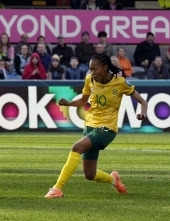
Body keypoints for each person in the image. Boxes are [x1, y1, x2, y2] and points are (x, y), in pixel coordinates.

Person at [45, 53, 147, 199]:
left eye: (95, 69)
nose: (92, 73)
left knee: (76, 148)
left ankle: (57, 189)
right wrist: (68, 103)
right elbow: (82, 101)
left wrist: (143, 112)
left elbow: (143, 102)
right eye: (90, 69)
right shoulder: (90, 80)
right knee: (89, 174)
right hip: (90, 126)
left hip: (107, 129)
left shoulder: (120, 82)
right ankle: (114, 180)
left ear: (105, 68)